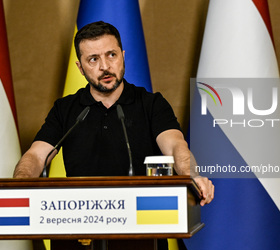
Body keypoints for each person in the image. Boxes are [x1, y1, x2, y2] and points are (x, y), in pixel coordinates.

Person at [13, 21, 214, 206]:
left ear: (123, 56)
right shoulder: (65, 109)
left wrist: (192, 176)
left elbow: (175, 146)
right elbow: (37, 156)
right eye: (93, 59)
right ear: (80, 68)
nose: (105, 67)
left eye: (111, 55)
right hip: (80, 224)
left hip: (144, 223)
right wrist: (19, 185)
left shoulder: (152, 104)